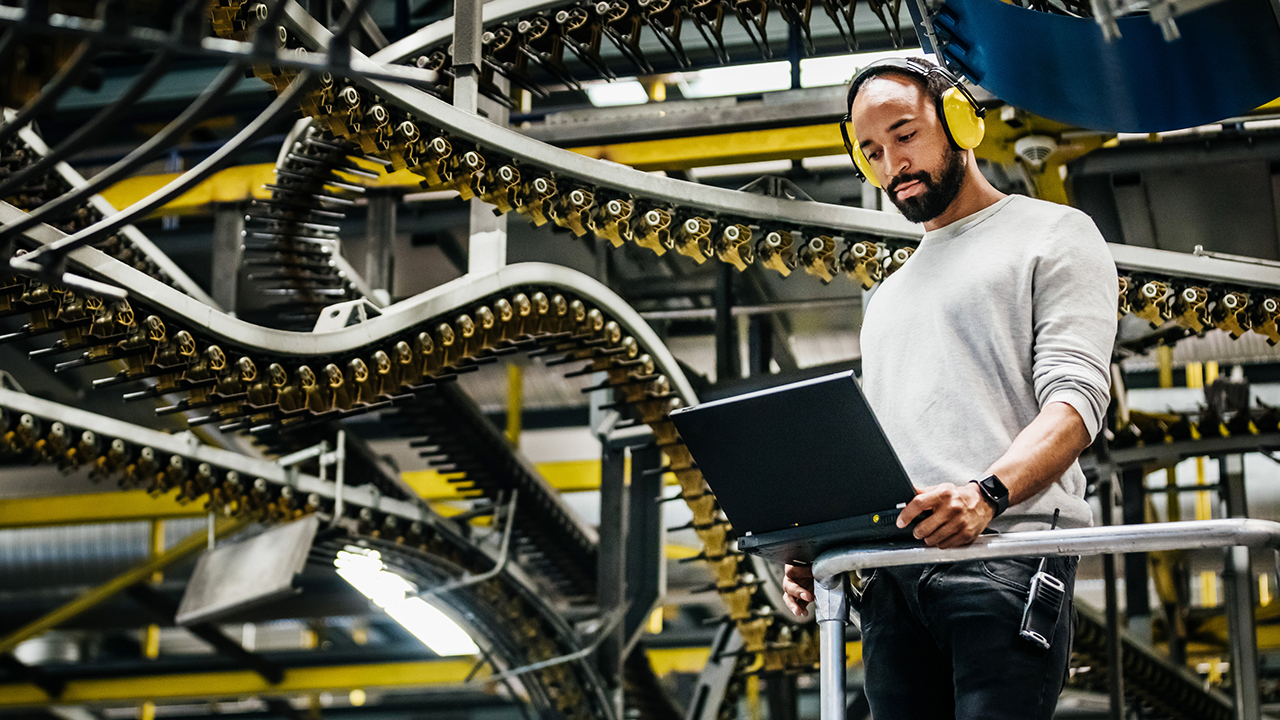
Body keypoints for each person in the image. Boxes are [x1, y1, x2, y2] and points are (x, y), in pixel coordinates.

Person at [781, 56, 1117, 719]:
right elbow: (895, 452)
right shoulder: (887, 296)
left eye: (905, 136)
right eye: (872, 151)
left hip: (1002, 557)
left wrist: (985, 494)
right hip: (892, 579)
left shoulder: (1051, 235)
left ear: (960, 120)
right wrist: (824, 548)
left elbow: (1076, 403)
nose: (891, 166)